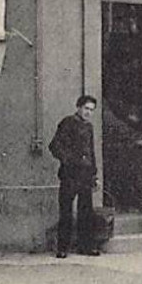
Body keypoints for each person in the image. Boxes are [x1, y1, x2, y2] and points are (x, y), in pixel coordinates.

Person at [48, 95, 99, 258]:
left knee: (86, 211)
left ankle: (85, 246)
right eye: (86, 108)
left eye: (91, 110)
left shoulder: (89, 127)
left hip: (85, 176)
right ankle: (63, 248)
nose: (88, 112)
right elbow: (54, 145)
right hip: (70, 175)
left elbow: (91, 152)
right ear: (78, 107)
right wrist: (70, 160)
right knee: (66, 212)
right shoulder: (68, 122)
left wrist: (94, 175)